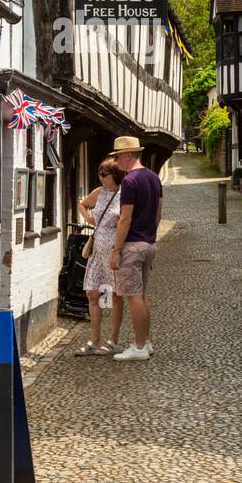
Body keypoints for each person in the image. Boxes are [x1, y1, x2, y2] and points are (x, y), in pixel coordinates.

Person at [108, 135, 162, 362]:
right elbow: (159, 213)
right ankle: (145, 342)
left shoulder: (130, 182)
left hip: (132, 245)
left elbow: (125, 220)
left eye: (118, 156)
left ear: (128, 155)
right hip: (148, 243)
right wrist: (150, 236)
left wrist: (116, 250)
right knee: (140, 296)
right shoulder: (153, 177)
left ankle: (139, 347)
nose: (116, 161)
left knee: (133, 296)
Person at [75, 161, 126, 356]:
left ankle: (113, 340)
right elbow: (82, 204)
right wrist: (88, 219)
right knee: (92, 293)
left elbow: (127, 221)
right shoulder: (98, 192)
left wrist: (119, 248)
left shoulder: (123, 195)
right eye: (99, 174)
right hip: (96, 250)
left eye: (104, 174)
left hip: (114, 251)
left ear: (115, 175)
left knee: (114, 295)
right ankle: (94, 340)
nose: (101, 178)